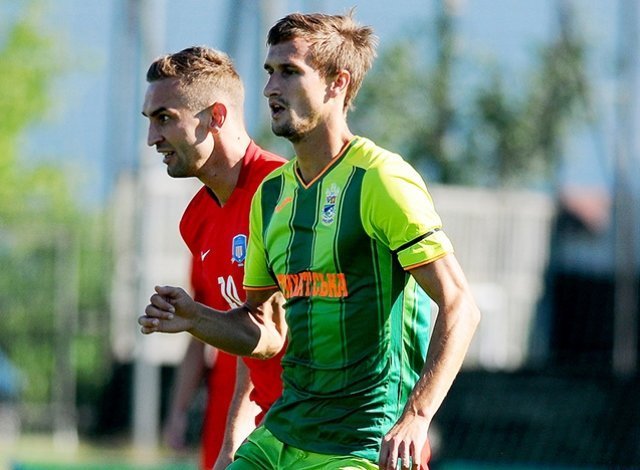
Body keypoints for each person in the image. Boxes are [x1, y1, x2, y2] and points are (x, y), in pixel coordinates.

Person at [140, 11, 480, 470]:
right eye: (269, 72)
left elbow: (461, 304)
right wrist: (195, 317)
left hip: (358, 443)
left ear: (338, 83)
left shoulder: (380, 179)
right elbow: (266, 332)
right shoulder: (272, 195)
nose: (270, 88)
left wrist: (417, 417)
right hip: (282, 432)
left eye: (289, 72)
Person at [141, 46, 286, 469]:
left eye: (164, 118)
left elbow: (276, 334)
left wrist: (196, 318)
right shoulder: (196, 220)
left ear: (215, 117)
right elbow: (251, 339)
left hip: (325, 433)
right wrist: (233, 438)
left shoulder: (284, 193)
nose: (152, 138)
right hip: (263, 427)